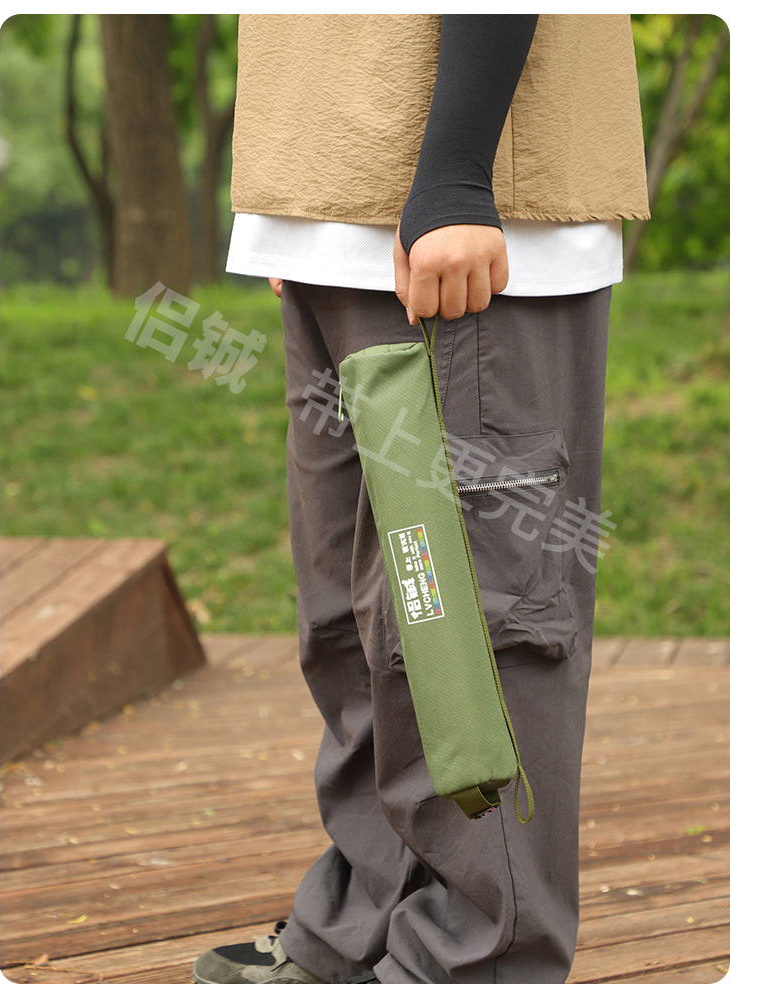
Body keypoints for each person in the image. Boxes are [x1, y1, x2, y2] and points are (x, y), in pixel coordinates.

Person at [192, 13, 649, 985]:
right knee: (353, 622)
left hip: (463, 214)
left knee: (463, 638)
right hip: (339, 210)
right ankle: (364, 926)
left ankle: (473, 961)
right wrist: (297, 194)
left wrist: (454, 172)